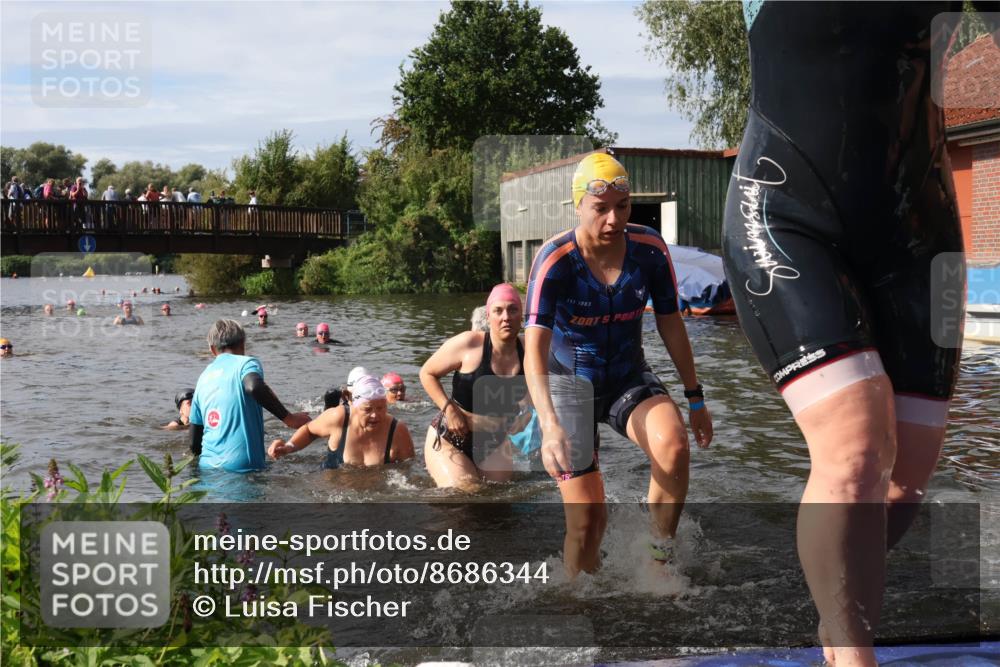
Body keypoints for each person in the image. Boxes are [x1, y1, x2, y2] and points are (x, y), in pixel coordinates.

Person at [720, 5, 983, 665]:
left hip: (925, 231)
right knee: (858, 445)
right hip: (785, 208)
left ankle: (836, 618)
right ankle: (850, 647)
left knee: (905, 479)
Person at [523, 152, 713, 576]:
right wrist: (549, 424)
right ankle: (577, 601)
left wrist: (695, 397)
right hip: (569, 388)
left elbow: (670, 323)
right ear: (579, 206)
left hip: (626, 375)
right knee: (589, 522)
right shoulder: (555, 260)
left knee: (674, 446)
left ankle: (657, 561)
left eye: (622, 207)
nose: (613, 220)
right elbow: (533, 350)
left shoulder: (648, 249)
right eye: (600, 209)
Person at [420, 284, 528, 491]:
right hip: (451, 436)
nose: (506, 317)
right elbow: (427, 373)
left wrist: (528, 412)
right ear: (488, 317)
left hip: (495, 439)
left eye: (513, 309)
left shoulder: (529, 349)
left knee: (499, 500)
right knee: (467, 492)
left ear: (521, 316)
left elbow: (539, 387)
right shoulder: (469, 344)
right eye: (498, 311)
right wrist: (449, 410)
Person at [189, 319, 310, 472]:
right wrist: (289, 418)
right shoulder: (246, 364)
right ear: (243, 344)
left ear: (212, 349)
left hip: (207, 467)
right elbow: (254, 386)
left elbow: (194, 441)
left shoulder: (203, 378)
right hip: (242, 468)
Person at [268, 374, 415, 468]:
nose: (375, 415)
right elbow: (309, 430)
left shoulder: (397, 430)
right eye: (367, 409)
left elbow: (409, 468)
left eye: (380, 408)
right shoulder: (339, 417)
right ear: (353, 406)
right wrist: (288, 447)